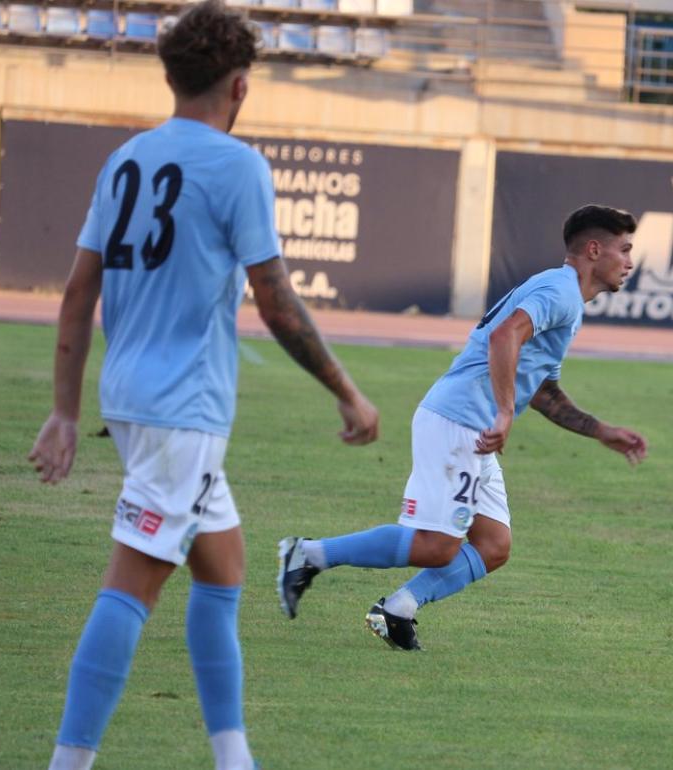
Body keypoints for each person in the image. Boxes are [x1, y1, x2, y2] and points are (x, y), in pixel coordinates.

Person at [28, 2, 379, 768]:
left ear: (170, 76)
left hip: (134, 400)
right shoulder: (237, 165)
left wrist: (65, 409)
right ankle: (68, 762)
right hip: (182, 408)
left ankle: (233, 758)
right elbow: (278, 302)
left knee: (222, 565)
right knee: (134, 581)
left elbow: (77, 291)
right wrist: (347, 391)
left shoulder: (127, 158)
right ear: (241, 87)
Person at [276, 204, 649, 650]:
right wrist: (506, 411)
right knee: (438, 546)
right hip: (459, 423)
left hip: (475, 428)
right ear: (594, 250)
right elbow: (503, 337)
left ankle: (399, 608)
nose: (629, 261)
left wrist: (599, 430)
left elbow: (543, 388)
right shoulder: (561, 291)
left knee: (493, 545)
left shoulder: (563, 295)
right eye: (624, 250)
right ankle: (309, 555)